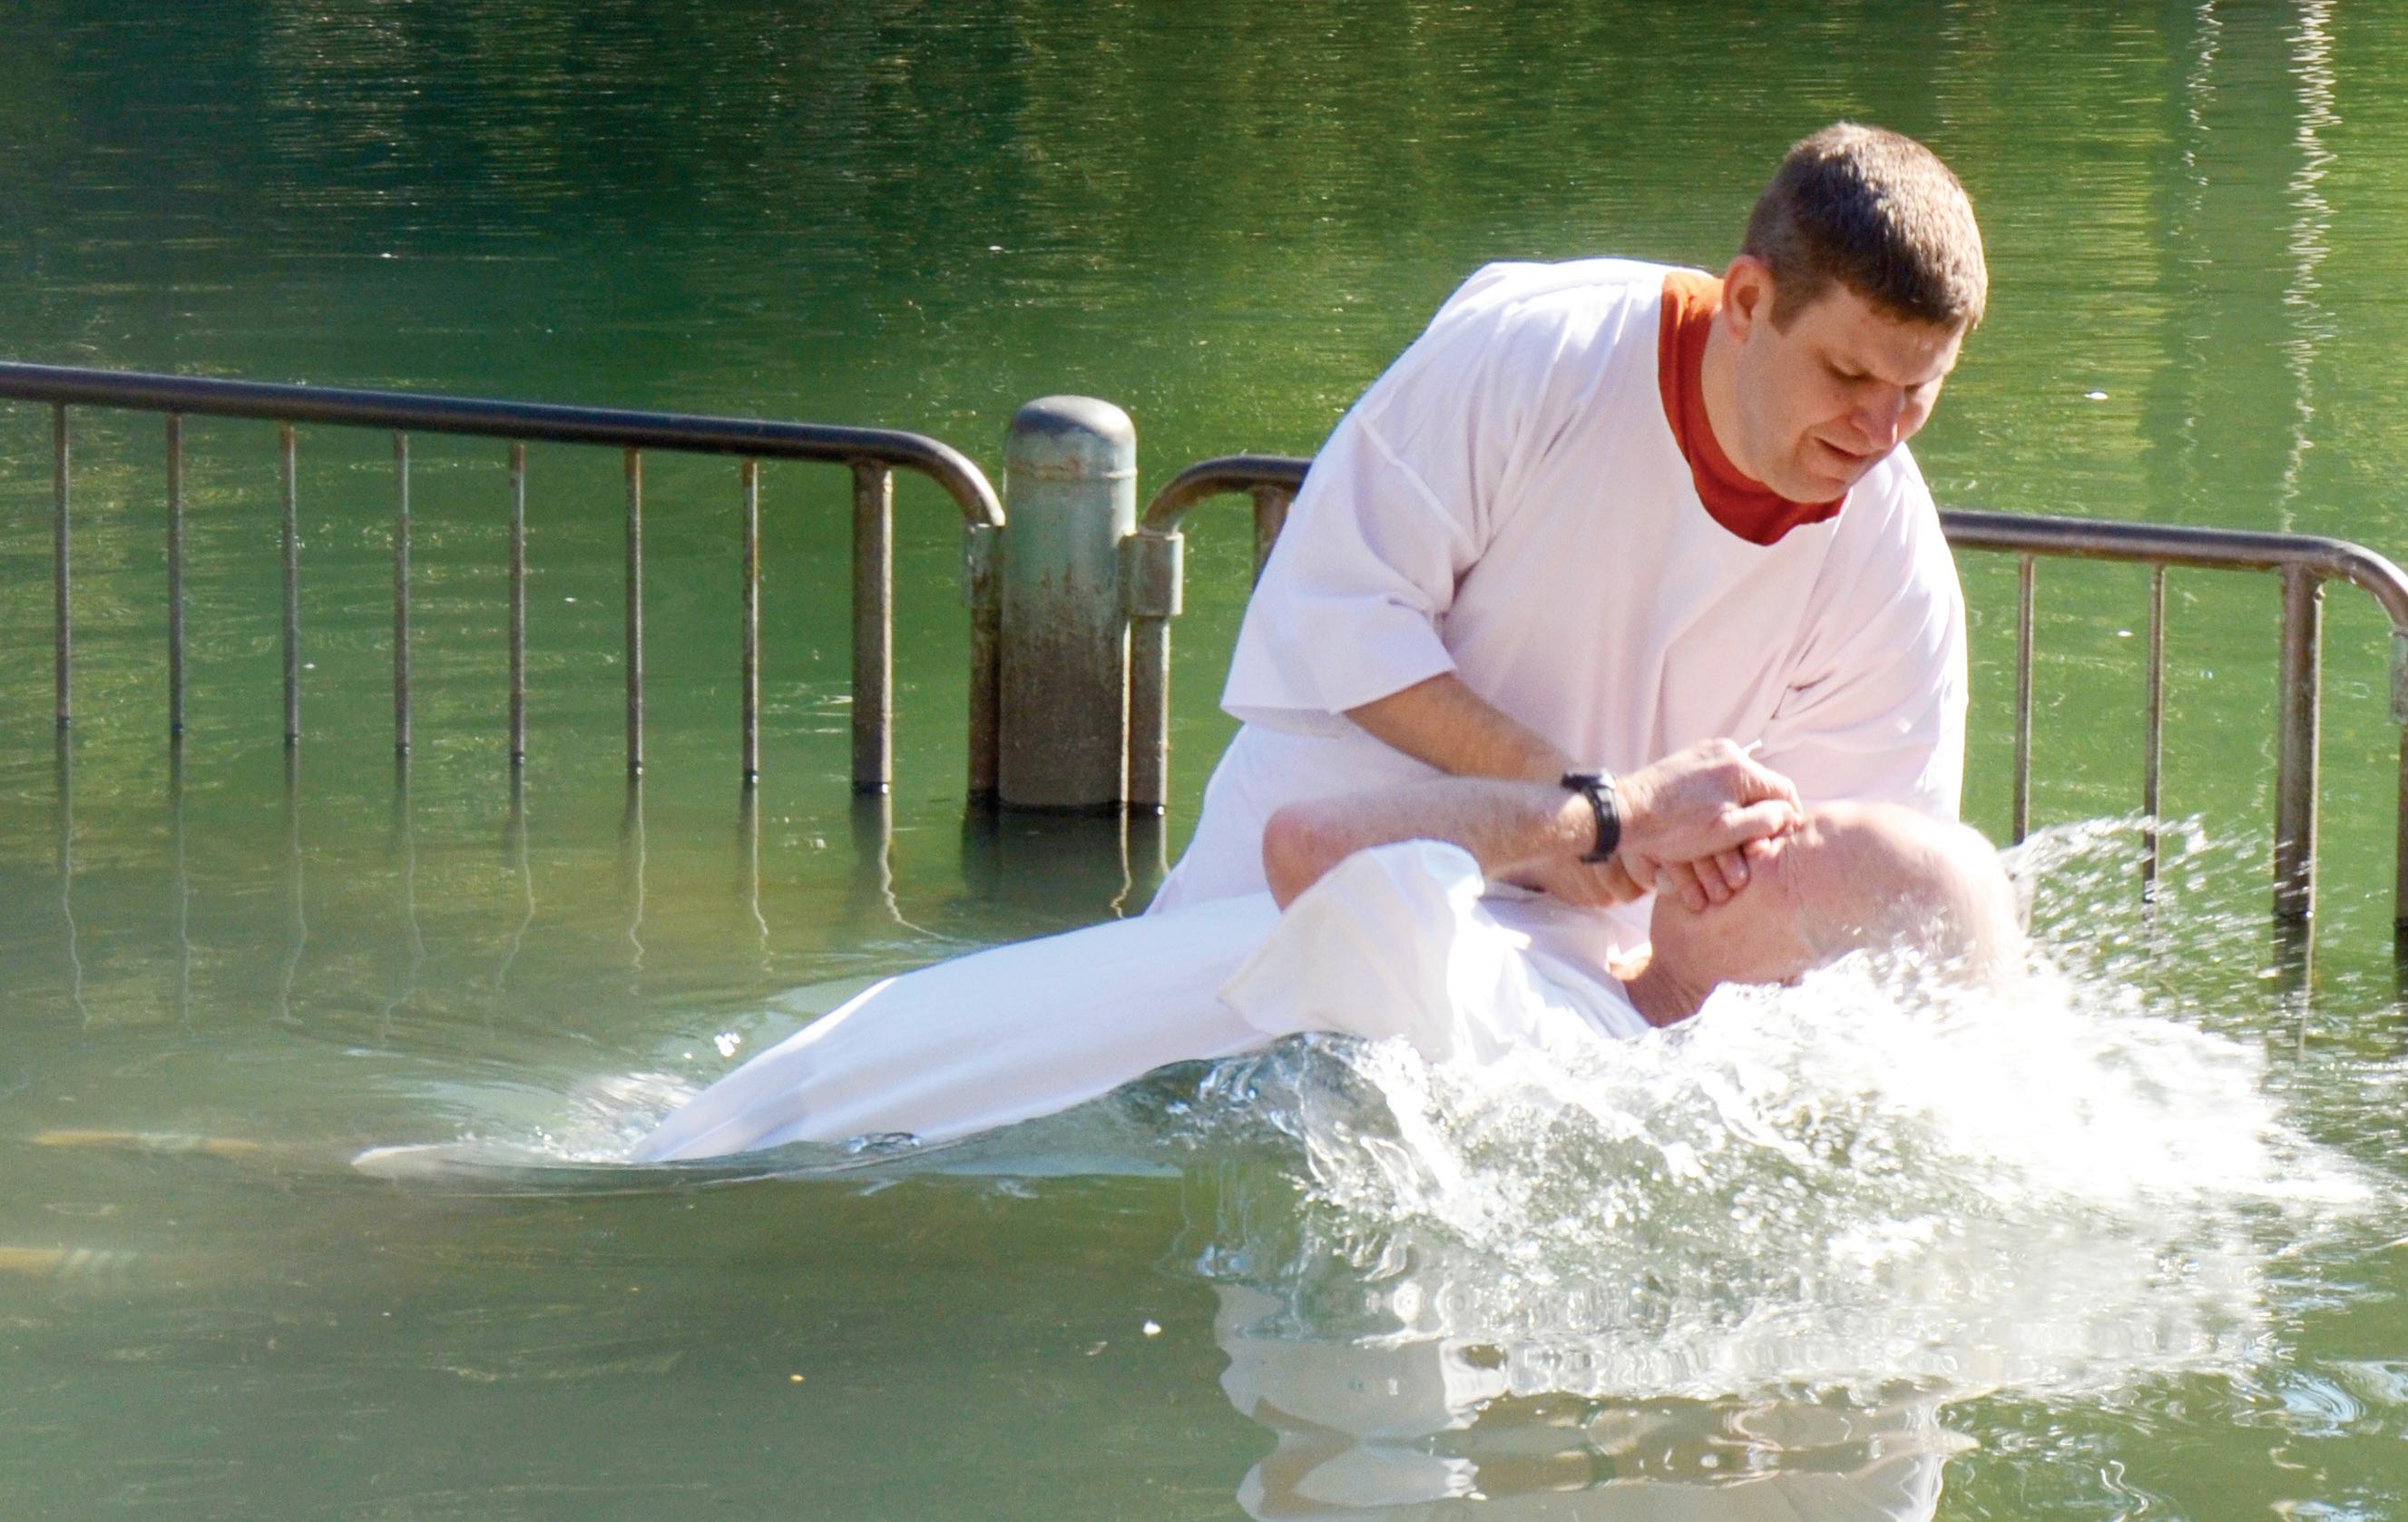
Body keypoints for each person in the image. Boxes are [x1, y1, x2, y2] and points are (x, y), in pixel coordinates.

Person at [1151, 122, 1986, 945]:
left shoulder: (1896, 568)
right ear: (1745, 301)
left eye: (1918, 389)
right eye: (1848, 373)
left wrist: (1614, 834)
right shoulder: (1535, 351)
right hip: (1293, 896)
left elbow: (1853, 893)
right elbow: (1337, 610)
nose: (1881, 431)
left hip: (1588, 965)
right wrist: (1583, 810)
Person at [628, 742, 2017, 1162]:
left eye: (1800, 854)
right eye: (1788, 807)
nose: (1758, 827)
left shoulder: (1556, 1052)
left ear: (1809, 993)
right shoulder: (1577, 949)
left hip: (815, 1128)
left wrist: (1608, 814)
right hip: (820, 1079)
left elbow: (1310, 846)